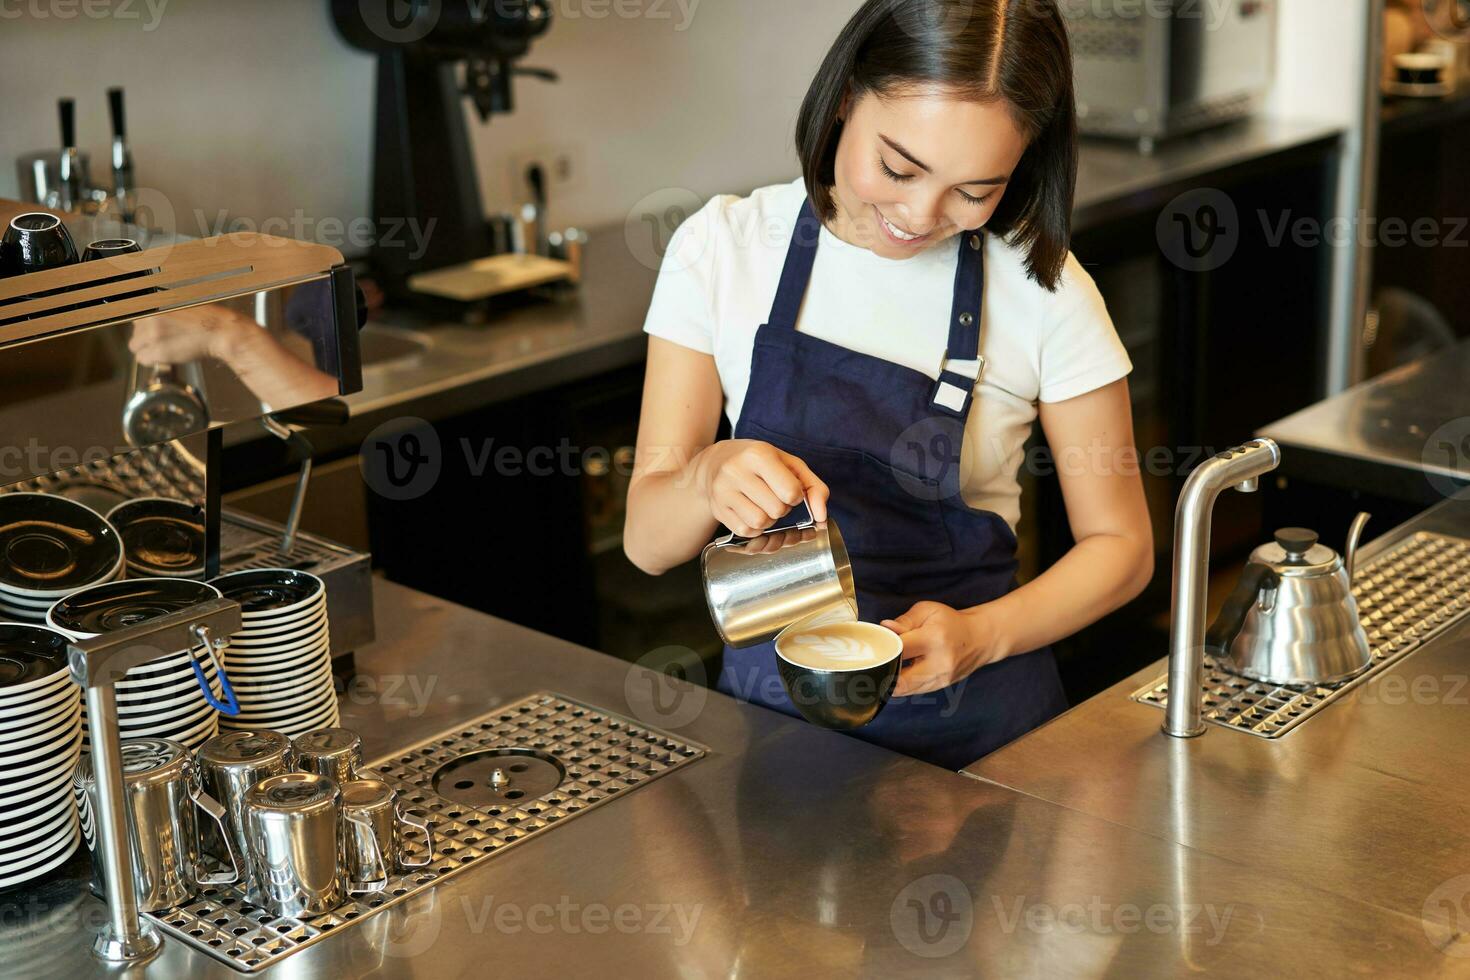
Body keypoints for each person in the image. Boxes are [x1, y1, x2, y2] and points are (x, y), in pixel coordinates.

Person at [625, 0, 1153, 769]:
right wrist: (706, 476)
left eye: (974, 191)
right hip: (775, 736)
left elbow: (1123, 547)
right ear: (845, 98)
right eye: (898, 168)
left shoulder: (1045, 289)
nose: (918, 214)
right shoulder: (723, 248)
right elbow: (645, 541)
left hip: (983, 740)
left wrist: (982, 636)